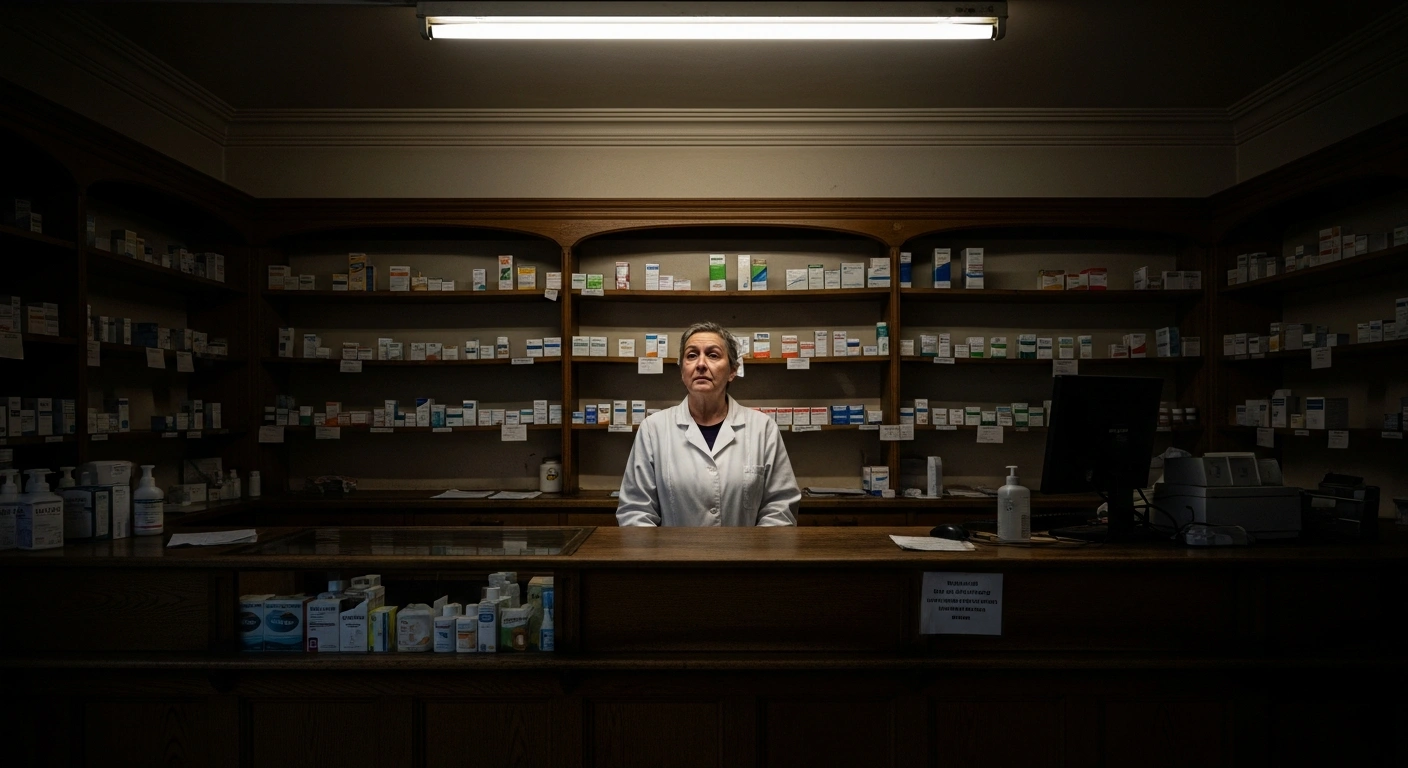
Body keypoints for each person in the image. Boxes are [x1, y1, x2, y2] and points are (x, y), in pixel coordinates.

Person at [616, 321, 800, 526]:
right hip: (675, 557)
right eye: (691, 355)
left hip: (744, 557)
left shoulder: (762, 428)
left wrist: (753, 556)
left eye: (713, 355)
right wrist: (663, 557)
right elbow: (636, 511)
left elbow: (780, 509)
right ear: (682, 371)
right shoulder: (653, 429)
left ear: (732, 371)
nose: (701, 364)